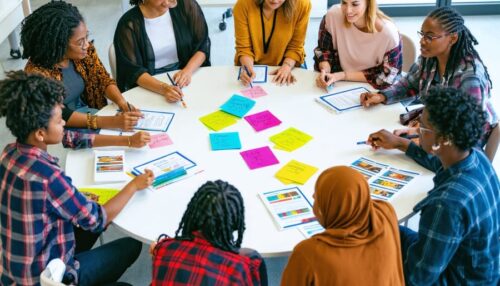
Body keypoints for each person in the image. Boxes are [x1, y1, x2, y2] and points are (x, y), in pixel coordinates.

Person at [0, 71, 155, 285]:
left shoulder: (9, 152)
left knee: (91, 209)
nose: (64, 122)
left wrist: (127, 141)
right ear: (40, 134)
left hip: (19, 268)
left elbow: (71, 137)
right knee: (131, 247)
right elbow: (98, 220)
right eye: (58, 120)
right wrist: (134, 185)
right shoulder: (49, 178)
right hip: (47, 277)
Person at [367, 86, 499, 285]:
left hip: (457, 278)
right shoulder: (475, 154)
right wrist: (401, 143)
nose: (417, 130)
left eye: (423, 127)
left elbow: (416, 279)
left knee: (370, 248)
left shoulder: (445, 204)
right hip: (481, 270)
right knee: (386, 228)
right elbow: (439, 162)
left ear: (445, 138)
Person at [360, 7, 498, 154]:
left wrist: (418, 140)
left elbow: (466, 133)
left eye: (430, 37)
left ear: (452, 38)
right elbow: (410, 83)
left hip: (461, 143)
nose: (422, 41)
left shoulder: (471, 78)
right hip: (435, 128)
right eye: (422, 34)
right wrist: (381, 96)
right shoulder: (430, 57)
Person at [21, 1, 145, 136]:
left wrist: (122, 103)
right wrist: (109, 122)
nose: (87, 45)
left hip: (91, 113)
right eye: (80, 42)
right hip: (61, 129)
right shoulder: (36, 74)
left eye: (86, 36)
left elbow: (102, 79)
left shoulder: (85, 52)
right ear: (59, 44)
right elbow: (60, 114)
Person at [281, 166, 404, 285]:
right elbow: (360, 198)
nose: (313, 196)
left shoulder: (308, 253)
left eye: (317, 197)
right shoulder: (386, 213)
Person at [150, 180, 268, 285]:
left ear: (193, 213)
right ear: (236, 223)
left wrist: (160, 248)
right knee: (253, 256)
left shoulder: (164, 248)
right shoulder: (239, 268)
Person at [114, 0, 210, 103]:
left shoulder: (186, 5)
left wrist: (187, 71)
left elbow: (203, 45)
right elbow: (132, 71)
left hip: (185, 74)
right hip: (149, 83)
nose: (170, 2)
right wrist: (164, 88)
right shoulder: (128, 24)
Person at [314, 0, 401, 90]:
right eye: (344, 3)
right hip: (338, 84)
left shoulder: (388, 34)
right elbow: (323, 49)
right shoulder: (333, 16)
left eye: (355, 4)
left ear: (368, 3)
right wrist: (325, 69)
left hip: (372, 89)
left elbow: (386, 77)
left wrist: (343, 75)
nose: (348, 11)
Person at [233, 0, 311, 86]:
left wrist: (286, 67)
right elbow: (244, 48)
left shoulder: (302, 4)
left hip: (288, 62)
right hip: (253, 64)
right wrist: (247, 68)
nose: (274, 0)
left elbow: (295, 46)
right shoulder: (243, 4)